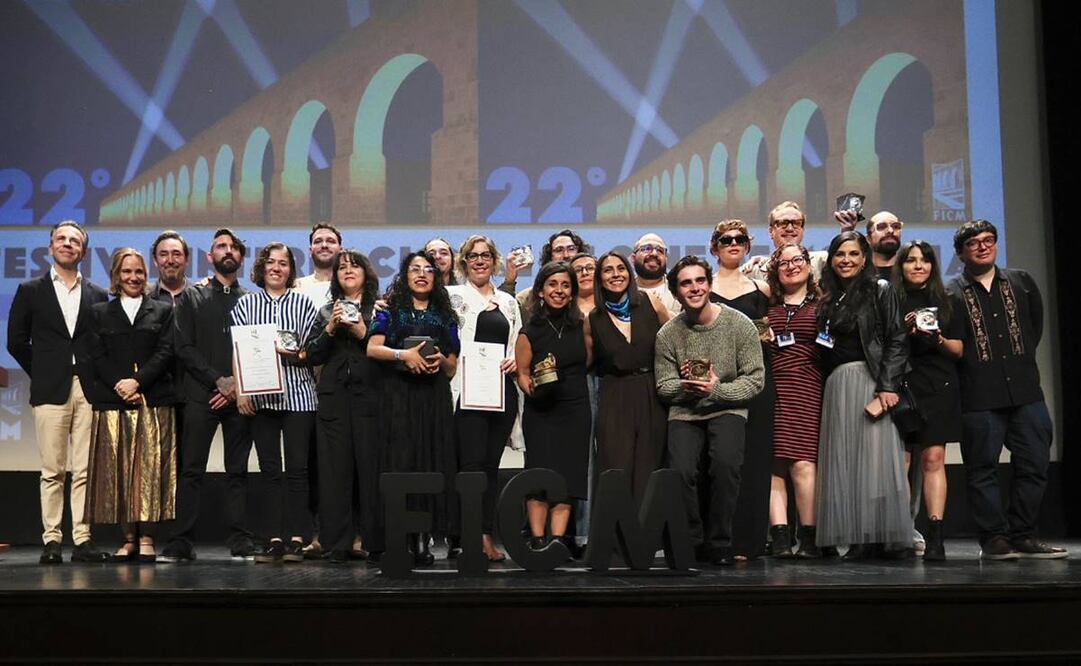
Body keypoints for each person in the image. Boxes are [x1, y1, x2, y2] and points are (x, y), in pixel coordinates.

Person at [948, 220, 1066, 560]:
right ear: (961, 253)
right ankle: (994, 539)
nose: (984, 247)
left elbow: (1035, 327)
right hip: (979, 393)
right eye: (974, 243)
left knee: (1035, 462)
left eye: (989, 240)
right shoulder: (951, 292)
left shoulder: (1021, 282)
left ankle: (1023, 533)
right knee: (982, 469)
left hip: (1026, 391)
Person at [7, 221, 110, 564]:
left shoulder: (97, 293)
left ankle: (83, 539)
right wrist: (43, 371)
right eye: (61, 239)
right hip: (50, 387)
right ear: (50, 248)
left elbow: (102, 344)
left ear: (83, 250)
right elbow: (16, 341)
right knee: (53, 469)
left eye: (75, 241)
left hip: (88, 388)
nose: (68, 244)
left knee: (84, 469)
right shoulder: (30, 289)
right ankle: (52, 539)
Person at [655, 255, 765, 565]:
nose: (694, 288)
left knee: (725, 464)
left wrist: (716, 389)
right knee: (681, 470)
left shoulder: (738, 324)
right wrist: (687, 386)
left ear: (710, 284)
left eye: (700, 281)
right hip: (686, 410)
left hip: (726, 406)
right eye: (686, 283)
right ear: (676, 292)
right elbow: (663, 387)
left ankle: (719, 543)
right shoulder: (668, 334)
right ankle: (690, 541)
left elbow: (755, 380)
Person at [814, 231, 912, 559]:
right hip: (837, 385)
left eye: (854, 254)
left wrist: (887, 386)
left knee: (874, 461)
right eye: (840, 254)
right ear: (831, 259)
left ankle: (875, 537)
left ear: (864, 258)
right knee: (847, 463)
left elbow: (898, 338)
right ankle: (855, 537)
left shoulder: (878, 289)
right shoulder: (827, 299)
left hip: (869, 381)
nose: (847, 260)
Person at [161, 228, 254, 562]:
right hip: (201, 395)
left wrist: (235, 387)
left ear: (241, 257)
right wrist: (219, 381)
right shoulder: (192, 297)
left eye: (233, 247)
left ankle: (240, 539)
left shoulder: (251, 299)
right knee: (191, 470)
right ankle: (180, 541)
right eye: (220, 246)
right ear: (209, 255)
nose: (227, 251)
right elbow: (183, 347)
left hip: (239, 398)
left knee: (238, 471)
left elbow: (254, 351)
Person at [84, 248, 178, 563]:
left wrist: (138, 382)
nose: (133, 278)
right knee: (120, 472)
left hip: (153, 401)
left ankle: (148, 537)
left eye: (138, 272)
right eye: (127, 272)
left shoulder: (162, 310)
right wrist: (121, 385)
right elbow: (96, 356)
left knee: (149, 472)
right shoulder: (99, 312)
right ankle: (128, 539)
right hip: (114, 403)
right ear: (116, 276)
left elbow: (166, 352)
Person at [367, 252, 460, 565]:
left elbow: (451, 367)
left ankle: (423, 540)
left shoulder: (445, 313)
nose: (422, 274)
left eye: (428, 269)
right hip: (398, 396)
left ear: (436, 277)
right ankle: (399, 538)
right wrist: (402, 356)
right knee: (400, 463)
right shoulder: (390, 309)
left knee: (429, 464)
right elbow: (372, 348)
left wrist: (440, 360)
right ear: (405, 275)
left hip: (433, 398)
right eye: (415, 269)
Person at [230, 243, 319, 563]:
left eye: (283, 263)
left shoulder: (304, 304)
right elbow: (238, 352)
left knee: (298, 470)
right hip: (261, 398)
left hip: (299, 396)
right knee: (269, 471)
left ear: (290, 270)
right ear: (261, 268)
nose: (277, 268)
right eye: (271, 263)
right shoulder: (246, 305)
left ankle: (298, 536)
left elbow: (313, 352)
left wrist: (293, 354)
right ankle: (273, 538)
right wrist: (241, 391)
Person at [303, 249, 381, 562]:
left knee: (369, 467)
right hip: (334, 396)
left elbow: (386, 349)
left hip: (370, 396)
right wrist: (331, 330)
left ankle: (369, 537)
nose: (347, 271)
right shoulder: (325, 310)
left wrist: (363, 330)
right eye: (342, 267)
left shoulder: (380, 308)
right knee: (335, 471)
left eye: (354, 266)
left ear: (366, 272)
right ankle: (338, 541)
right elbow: (311, 353)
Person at [447, 236, 521, 562]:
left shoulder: (508, 302)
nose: (480, 261)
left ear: (494, 261)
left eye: (486, 256)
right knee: (470, 467)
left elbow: (517, 344)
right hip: (466, 392)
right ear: (464, 262)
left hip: (500, 392)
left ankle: (486, 534)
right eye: (473, 256)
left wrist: (517, 360)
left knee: (491, 467)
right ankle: (467, 536)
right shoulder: (451, 296)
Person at [514, 261, 592, 554]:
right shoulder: (529, 330)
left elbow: (587, 360)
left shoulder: (581, 323)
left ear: (572, 292)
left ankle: (558, 541)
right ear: (541, 291)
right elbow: (522, 372)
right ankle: (537, 539)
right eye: (552, 285)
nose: (559, 291)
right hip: (542, 410)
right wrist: (533, 390)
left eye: (565, 285)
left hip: (575, 407)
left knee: (568, 475)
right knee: (539, 473)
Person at [708, 220, 774, 561]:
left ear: (748, 246)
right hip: (717, 384)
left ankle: (750, 539)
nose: (733, 243)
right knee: (722, 461)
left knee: (755, 461)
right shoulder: (705, 287)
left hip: (758, 381)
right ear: (714, 247)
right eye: (725, 239)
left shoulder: (762, 289)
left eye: (739, 239)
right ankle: (720, 538)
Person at [893, 240, 963, 561]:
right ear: (901, 266)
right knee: (902, 464)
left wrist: (937, 338)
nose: (918, 266)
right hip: (903, 386)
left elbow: (959, 349)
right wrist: (902, 331)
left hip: (939, 384)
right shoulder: (890, 300)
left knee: (933, 461)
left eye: (925, 260)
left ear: (934, 265)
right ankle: (904, 532)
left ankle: (936, 535)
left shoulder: (947, 301)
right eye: (910, 260)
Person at [589, 252, 669, 503]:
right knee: (616, 465)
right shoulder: (593, 318)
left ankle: (648, 538)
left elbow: (675, 340)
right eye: (608, 270)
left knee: (649, 464)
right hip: (615, 395)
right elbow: (586, 362)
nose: (615, 274)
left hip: (651, 392)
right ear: (599, 279)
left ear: (629, 273)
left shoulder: (651, 303)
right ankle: (618, 537)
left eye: (621, 268)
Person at [763, 244, 826, 558]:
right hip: (772, 388)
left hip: (808, 387)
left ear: (808, 265)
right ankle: (780, 538)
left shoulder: (824, 305)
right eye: (783, 262)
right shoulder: (766, 308)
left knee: (803, 464)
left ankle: (810, 538)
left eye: (797, 260)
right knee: (773, 464)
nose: (790, 266)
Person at [743, 202, 829, 280]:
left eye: (796, 223)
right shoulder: (755, 271)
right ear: (771, 231)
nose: (790, 229)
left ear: (803, 229)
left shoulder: (821, 262)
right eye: (783, 223)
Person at [632, 233, 681, 316]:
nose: (654, 254)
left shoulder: (679, 288)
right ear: (633, 258)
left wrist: (660, 310)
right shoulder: (625, 290)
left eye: (660, 251)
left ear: (666, 259)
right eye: (647, 248)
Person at [294, 223, 342, 307]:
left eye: (330, 241)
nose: (324, 245)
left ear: (341, 250)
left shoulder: (351, 286)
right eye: (318, 241)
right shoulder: (296, 287)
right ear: (310, 251)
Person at [149, 230, 191, 306]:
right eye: (163, 255)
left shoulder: (201, 297)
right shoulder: (145, 298)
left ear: (186, 260)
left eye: (176, 254)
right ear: (155, 261)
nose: (170, 261)